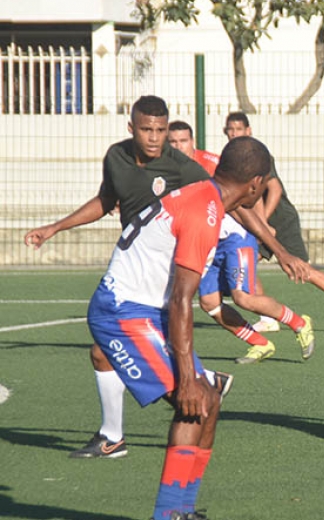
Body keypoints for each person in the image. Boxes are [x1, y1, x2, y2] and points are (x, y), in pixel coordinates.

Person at [24, 96, 231, 459]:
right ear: (131, 127)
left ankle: (201, 391)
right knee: (104, 352)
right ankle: (112, 437)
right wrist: (55, 227)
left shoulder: (183, 169)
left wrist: (278, 247)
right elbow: (106, 199)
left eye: (161, 130)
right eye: (147, 129)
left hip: (159, 280)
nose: (154, 138)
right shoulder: (116, 157)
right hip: (134, 270)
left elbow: (223, 199)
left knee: (185, 391)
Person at [86, 135, 272, 520]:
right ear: (255, 184)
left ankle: (182, 510)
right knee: (196, 401)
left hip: (143, 310)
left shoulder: (207, 196)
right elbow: (180, 300)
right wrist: (187, 378)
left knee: (210, 400)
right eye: (264, 183)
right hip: (122, 312)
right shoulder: (206, 209)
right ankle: (168, 514)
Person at [168, 121, 316, 364]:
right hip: (206, 243)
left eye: (182, 141)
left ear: (192, 142)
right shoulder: (165, 170)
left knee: (243, 297)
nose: (177, 146)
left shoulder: (209, 166)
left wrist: (270, 237)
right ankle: (260, 343)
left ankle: (299, 323)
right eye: (172, 142)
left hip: (235, 238)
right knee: (210, 304)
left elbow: (241, 203)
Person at [222, 112, 324, 335]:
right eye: (230, 129)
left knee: (301, 269)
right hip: (259, 223)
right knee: (247, 260)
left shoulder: (259, 155)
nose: (234, 133)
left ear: (248, 131)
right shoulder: (232, 157)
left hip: (281, 220)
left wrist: (263, 224)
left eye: (238, 129)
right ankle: (266, 317)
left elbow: (275, 189)